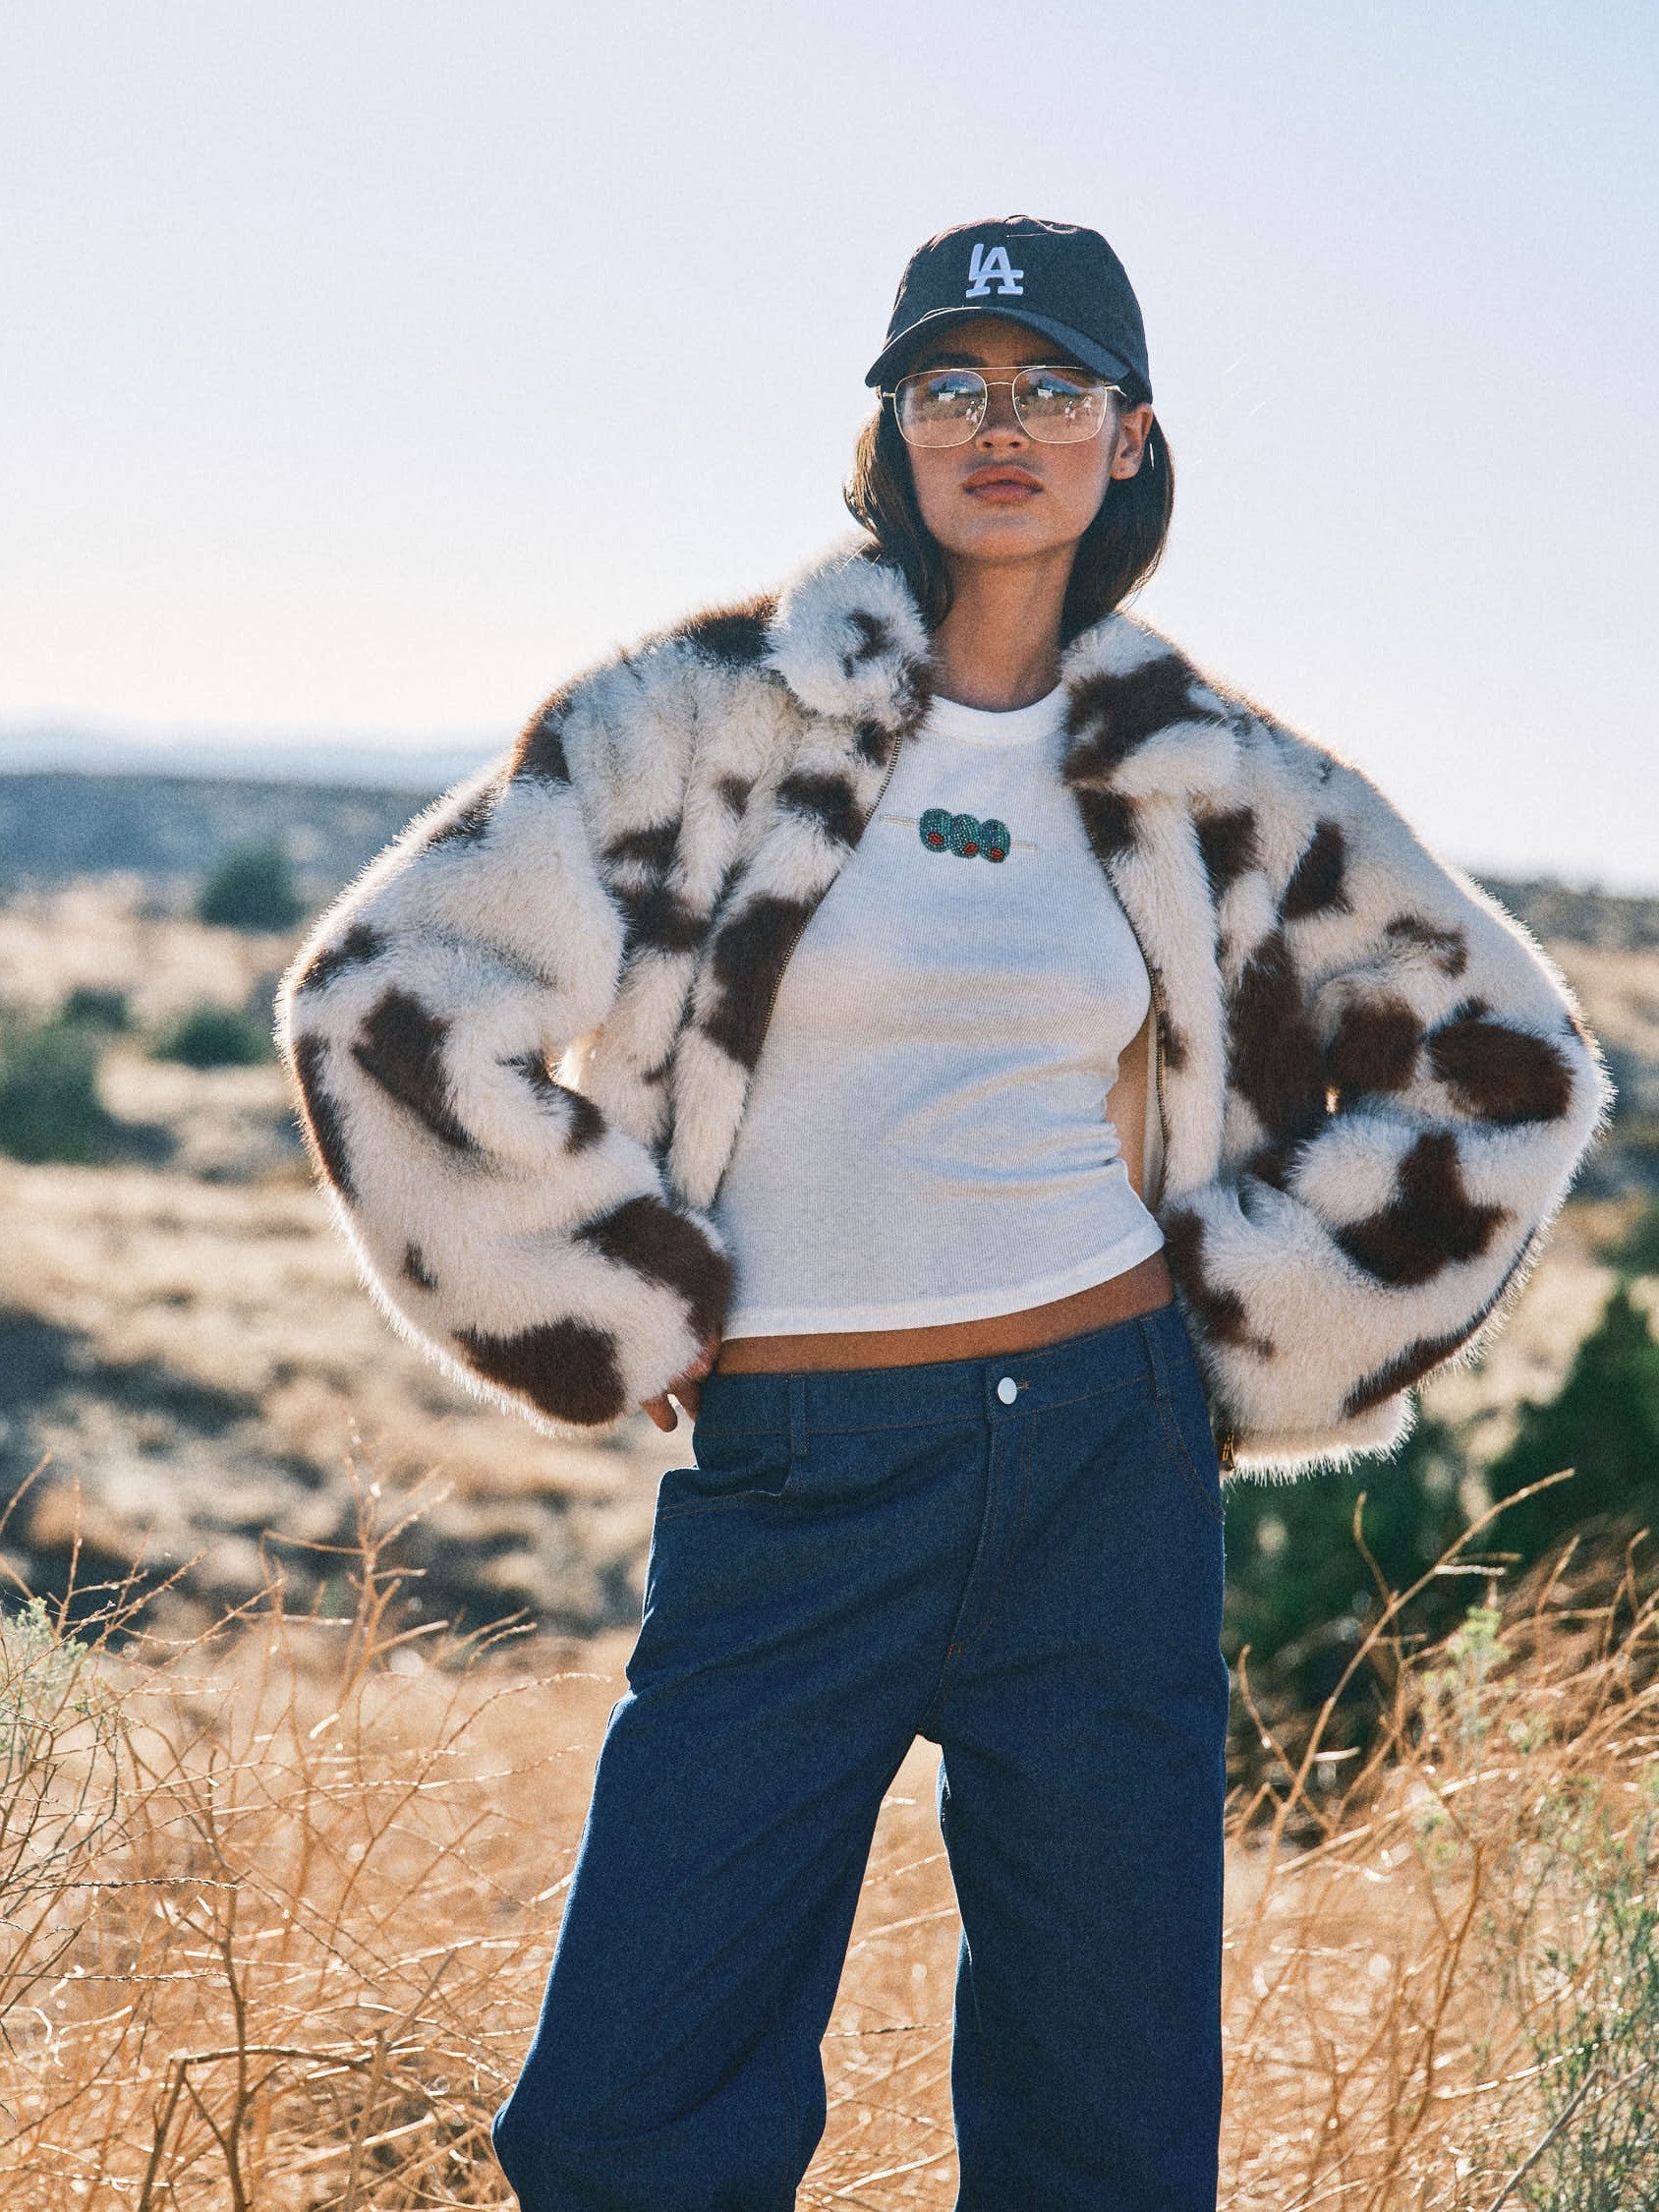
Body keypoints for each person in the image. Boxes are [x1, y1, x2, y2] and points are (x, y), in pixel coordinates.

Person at [276, 216, 1614, 2210]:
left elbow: (1506, 1061)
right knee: (624, 2121)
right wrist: (620, 1292)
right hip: (798, 1473)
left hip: (1104, 1457)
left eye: (1051, 388)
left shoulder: (1209, 773)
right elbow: (388, 1005)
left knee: (1104, 2137)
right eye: (950, 385)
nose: (1002, 425)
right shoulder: (705, 715)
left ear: (1129, 437)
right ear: (890, 431)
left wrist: (1240, 1329)